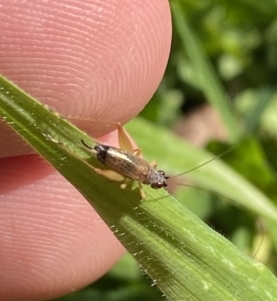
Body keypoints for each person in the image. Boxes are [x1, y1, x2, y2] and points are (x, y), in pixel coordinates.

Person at [0, 1, 172, 300]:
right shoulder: (139, 182)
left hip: (113, 156)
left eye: (157, 178)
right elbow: (127, 175)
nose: (157, 178)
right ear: (151, 177)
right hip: (112, 159)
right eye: (157, 178)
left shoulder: (144, 168)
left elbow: (139, 156)